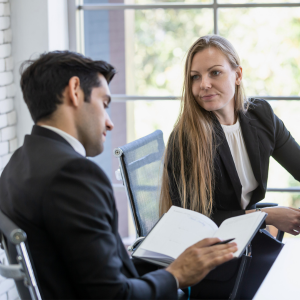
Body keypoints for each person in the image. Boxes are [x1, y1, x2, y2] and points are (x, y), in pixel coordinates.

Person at [0, 51, 237, 300]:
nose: (110, 123)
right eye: (104, 104)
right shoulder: (73, 175)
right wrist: (177, 274)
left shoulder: (16, 165)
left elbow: (90, 271)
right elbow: (113, 296)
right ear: (75, 91)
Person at [159, 34, 300, 298]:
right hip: (214, 263)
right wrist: (265, 217)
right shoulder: (187, 138)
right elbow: (196, 222)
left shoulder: (261, 115)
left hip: (247, 245)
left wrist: (262, 219)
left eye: (215, 73)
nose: (204, 85)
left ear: (237, 75)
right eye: (195, 77)